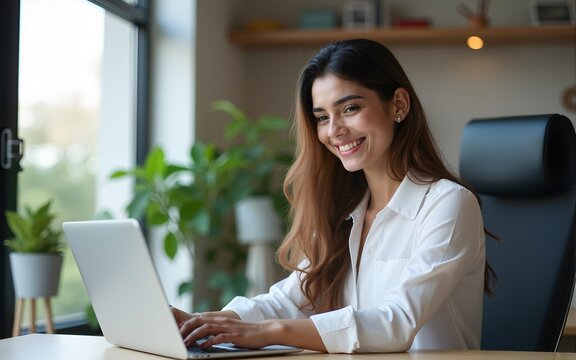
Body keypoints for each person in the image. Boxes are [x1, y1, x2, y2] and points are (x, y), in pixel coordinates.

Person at [172, 38, 489, 353]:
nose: (334, 130)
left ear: (399, 105)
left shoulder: (448, 203)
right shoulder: (342, 209)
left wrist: (267, 332)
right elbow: (290, 299)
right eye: (322, 117)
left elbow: (397, 323)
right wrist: (203, 322)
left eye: (350, 108)